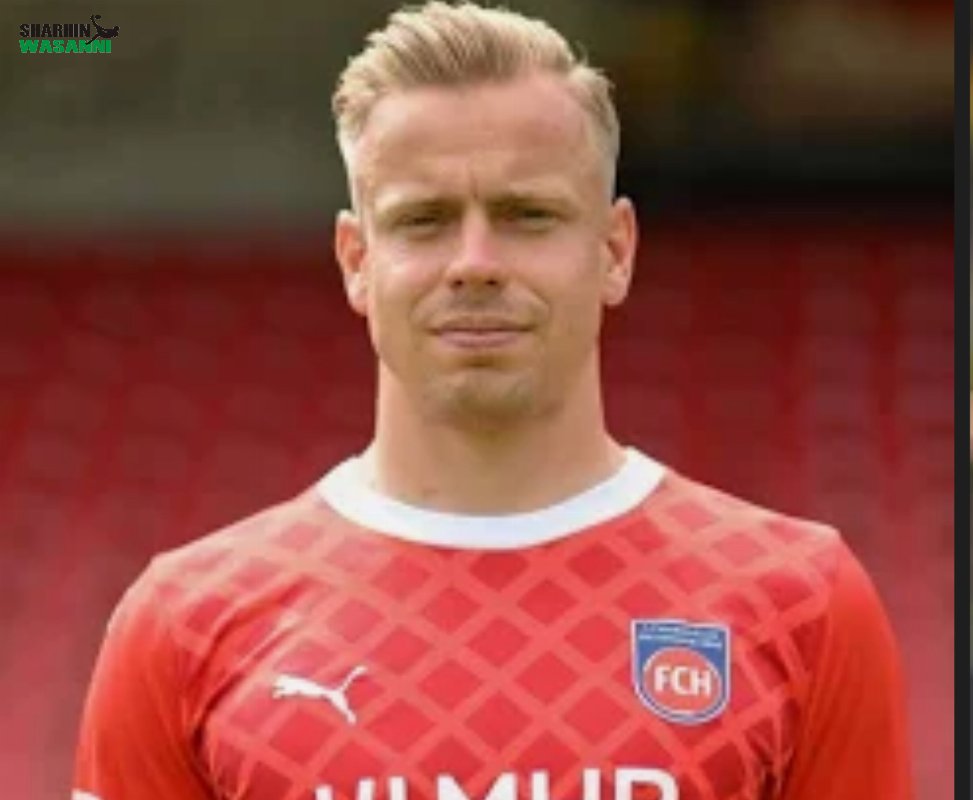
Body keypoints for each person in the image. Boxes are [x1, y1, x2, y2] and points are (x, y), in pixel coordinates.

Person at [72, 3, 914, 799]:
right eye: (424, 219)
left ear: (614, 250)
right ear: (356, 260)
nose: (474, 262)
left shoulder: (799, 604)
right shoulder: (186, 624)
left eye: (526, 214)